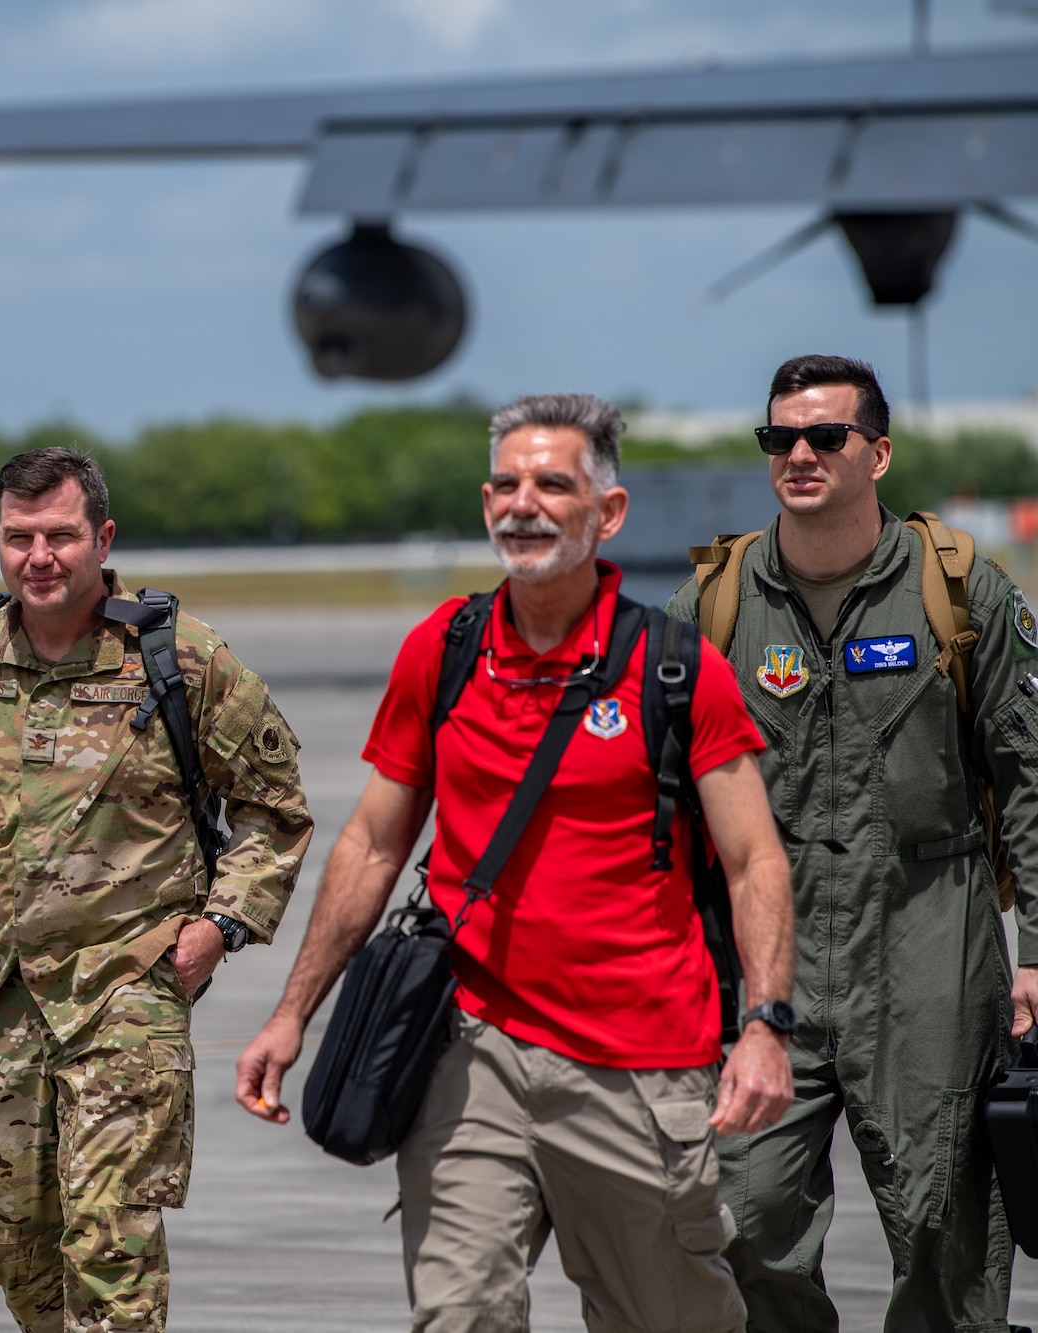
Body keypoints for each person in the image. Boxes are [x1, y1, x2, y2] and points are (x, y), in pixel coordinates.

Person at [236, 393, 797, 1332]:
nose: (521, 504)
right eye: (505, 483)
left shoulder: (675, 667)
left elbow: (753, 861)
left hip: (639, 1063)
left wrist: (767, 1026)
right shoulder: (443, 650)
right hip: (471, 1051)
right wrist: (292, 1013)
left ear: (606, 512)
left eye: (552, 484)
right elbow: (374, 843)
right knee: (460, 1315)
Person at [0, 446, 314, 1332]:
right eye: (20, 538)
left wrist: (220, 926)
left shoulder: (181, 661)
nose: (39, 557)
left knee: (108, 1237)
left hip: (128, 991)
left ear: (103, 537)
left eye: (60, 535)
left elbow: (273, 812)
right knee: (7, 1225)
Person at [669, 355, 1038, 1331]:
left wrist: (1035, 952)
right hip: (764, 969)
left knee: (939, 1232)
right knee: (742, 1220)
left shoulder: (960, 593)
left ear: (874, 453)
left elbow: (1028, 779)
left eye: (823, 436)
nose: (797, 454)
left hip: (924, 950)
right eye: (777, 438)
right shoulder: (713, 605)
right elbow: (655, 797)